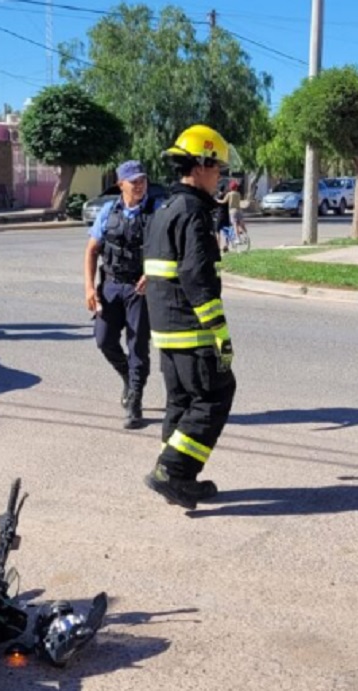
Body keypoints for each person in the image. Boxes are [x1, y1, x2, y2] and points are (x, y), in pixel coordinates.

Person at [141, 124, 236, 510]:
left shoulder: (163, 209)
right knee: (214, 396)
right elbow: (198, 276)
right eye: (217, 170)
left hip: (165, 331)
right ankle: (173, 471)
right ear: (200, 165)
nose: (220, 178)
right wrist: (218, 331)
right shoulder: (194, 212)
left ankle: (176, 479)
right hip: (192, 330)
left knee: (180, 403)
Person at [83, 160, 155, 430]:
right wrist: (90, 288)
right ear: (120, 184)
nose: (139, 185)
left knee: (138, 346)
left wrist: (152, 273)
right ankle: (127, 376)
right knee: (103, 339)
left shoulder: (155, 211)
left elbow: (167, 249)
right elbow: (91, 250)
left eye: (142, 180)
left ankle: (135, 401)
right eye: (133, 181)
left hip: (140, 288)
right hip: (111, 286)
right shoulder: (108, 212)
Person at [218, 180, 246, 249]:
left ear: (231, 187)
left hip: (232, 211)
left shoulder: (229, 194)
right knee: (241, 223)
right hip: (239, 210)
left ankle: (238, 239)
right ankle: (245, 234)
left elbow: (224, 201)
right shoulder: (238, 194)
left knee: (235, 224)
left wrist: (217, 200)